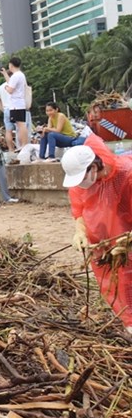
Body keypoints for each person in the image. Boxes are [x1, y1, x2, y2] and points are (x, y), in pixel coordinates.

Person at [63, 136, 132, 340]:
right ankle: (128, 319)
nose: (81, 183)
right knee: (114, 276)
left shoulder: (126, 176)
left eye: (83, 176)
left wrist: (127, 240)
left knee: (128, 272)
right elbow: (80, 210)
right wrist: (80, 231)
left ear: (94, 166)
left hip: (125, 237)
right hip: (105, 242)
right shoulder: (81, 185)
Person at [0, 57, 29, 148]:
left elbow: (10, 89)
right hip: (19, 103)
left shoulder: (16, 75)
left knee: (20, 125)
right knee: (21, 125)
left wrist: (6, 88)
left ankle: (23, 145)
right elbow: (11, 83)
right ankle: (23, 145)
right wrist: (5, 74)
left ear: (11, 65)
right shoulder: (20, 75)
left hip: (15, 104)